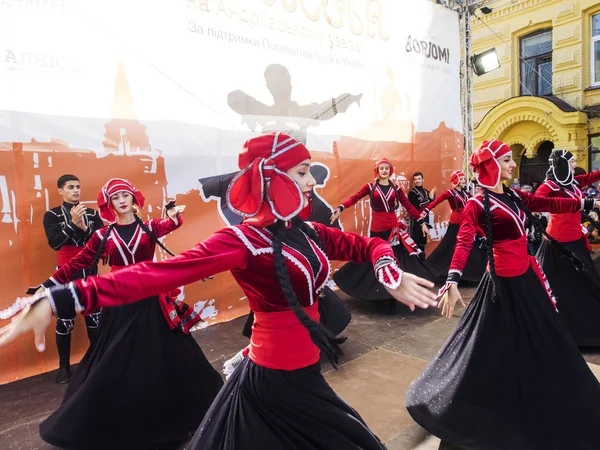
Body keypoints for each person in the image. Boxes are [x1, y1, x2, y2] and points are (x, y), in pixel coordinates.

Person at [0, 132, 439, 450]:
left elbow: (366, 244)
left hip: (303, 368)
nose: (311, 183)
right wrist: (60, 297)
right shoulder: (241, 240)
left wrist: (389, 270)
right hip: (276, 377)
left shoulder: (304, 228)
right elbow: (156, 275)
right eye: (303, 173)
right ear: (272, 177)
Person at [405, 139, 600, 450]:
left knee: (544, 337)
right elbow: (465, 240)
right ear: (492, 165)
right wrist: (453, 279)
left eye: (511, 160)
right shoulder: (477, 204)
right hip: (502, 285)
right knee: (490, 347)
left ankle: (542, 392)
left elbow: (551, 204)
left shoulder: (512, 195)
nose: (512, 165)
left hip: (527, 277)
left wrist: (586, 204)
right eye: (507, 160)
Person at [31, 178, 223, 450]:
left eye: (126, 195)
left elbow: (171, 224)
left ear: (134, 199)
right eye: (116, 197)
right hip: (119, 301)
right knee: (114, 359)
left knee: (169, 354)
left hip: (149, 300)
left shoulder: (149, 227)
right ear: (109, 204)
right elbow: (77, 262)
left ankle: (183, 407)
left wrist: (172, 216)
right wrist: (46, 285)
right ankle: (109, 418)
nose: (122, 200)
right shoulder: (103, 235)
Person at [330, 158, 435, 302]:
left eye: (387, 168)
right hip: (376, 228)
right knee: (374, 259)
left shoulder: (396, 188)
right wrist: (340, 208)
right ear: (377, 171)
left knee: (393, 258)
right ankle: (375, 291)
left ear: (390, 170)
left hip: (392, 229)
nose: (384, 170)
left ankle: (393, 291)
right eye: (382, 168)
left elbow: (409, 206)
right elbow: (354, 198)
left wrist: (422, 222)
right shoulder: (370, 187)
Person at [36, 174, 103, 383]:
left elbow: (100, 243)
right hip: (65, 275)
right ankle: (63, 366)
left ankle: (98, 362)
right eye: (71, 187)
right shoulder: (52, 215)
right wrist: (74, 225)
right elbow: (55, 244)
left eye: (78, 187)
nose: (76, 190)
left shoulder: (92, 214)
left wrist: (86, 229)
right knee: (65, 321)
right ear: (61, 190)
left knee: (95, 319)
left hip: (90, 273)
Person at [534, 150, 600, 346]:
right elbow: (537, 201)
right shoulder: (550, 185)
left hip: (576, 241)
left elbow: (592, 176)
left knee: (586, 282)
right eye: (571, 162)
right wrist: (580, 203)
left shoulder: (574, 182)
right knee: (558, 288)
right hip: (557, 244)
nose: (574, 165)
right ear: (562, 165)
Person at [418, 170, 486, 282]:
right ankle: (442, 271)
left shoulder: (466, 193)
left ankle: (469, 273)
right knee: (451, 248)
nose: (464, 181)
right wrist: (426, 210)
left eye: (464, 178)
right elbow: (437, 201)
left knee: (469, 247)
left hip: (467, 221)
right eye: (462, 178)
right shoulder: (450, 192)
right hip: (456, 223)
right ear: (456, 180)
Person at [408, 171, 436, 259]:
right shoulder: (412, 193)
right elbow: (418, 205)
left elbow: (433, 202)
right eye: (415, 179)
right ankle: (415, 265)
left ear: (423, 180)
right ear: (413, 181)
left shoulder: (425, 191)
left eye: (419, 179)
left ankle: (422, 263)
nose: (417, 181)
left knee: (423, 243)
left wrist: (433, 196)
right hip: (416, 221)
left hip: (426, 220)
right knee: (415, 242)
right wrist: (430, 199)